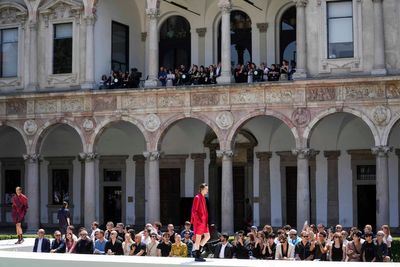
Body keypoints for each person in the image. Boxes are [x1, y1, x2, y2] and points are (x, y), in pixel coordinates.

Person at [191, 183, 210, 262]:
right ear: (202, 189)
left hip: (204, 222)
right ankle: (197, 255)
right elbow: (194, 211)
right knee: (198, 239)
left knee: (207, 236)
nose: (207, 190)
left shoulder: (203, 197)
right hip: (199, 222)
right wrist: (199, 221)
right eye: (206, 189)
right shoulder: (197, 197)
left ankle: (196, 251)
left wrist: (205, 221)